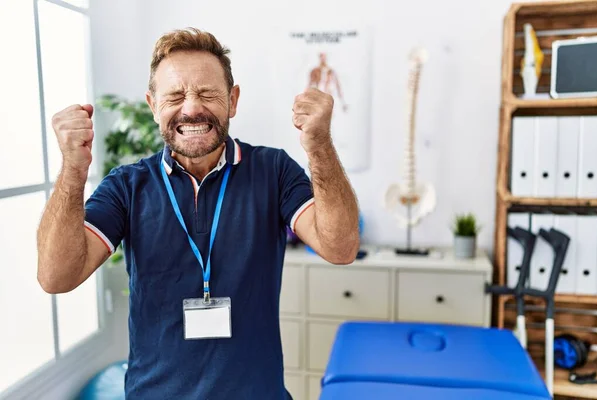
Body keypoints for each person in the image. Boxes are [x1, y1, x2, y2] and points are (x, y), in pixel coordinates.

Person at [36, 27, 360, 399]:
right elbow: (55, 276)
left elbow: (341, 247)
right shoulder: (127, 186)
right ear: (152, 104)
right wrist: (73, 171)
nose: (191, 108)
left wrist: (319, 145)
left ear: (233, 101)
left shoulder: (274, 170)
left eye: (207, 93)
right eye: (175, 95)